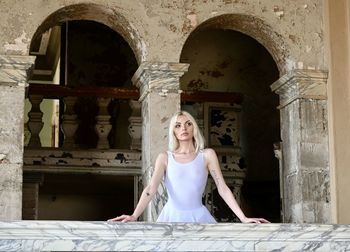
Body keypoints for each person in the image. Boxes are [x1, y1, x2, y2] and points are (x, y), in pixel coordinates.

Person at [108, 111, 269, 224]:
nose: (183, 128)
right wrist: (134, 215)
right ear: (173, 131)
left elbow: (222, 188)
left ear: (194, 128)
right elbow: (151, 188)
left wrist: (243, 218)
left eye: (188, 124)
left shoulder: (207, 155)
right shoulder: (165, 157)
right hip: (170, 217)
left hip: (199, 217)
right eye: (177, 125)